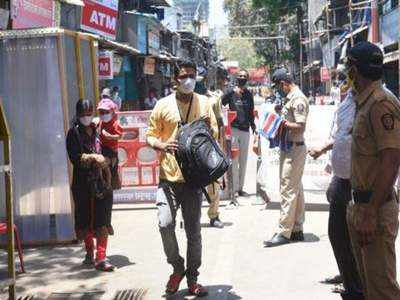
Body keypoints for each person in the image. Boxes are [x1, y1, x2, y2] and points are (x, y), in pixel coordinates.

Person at [146, 60, 217, 297]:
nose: (189, 80)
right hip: (168, 178)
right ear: (175, 79)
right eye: (185, 75)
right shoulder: (162, 105)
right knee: (165, 224)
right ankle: (177, 266)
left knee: (194, 232)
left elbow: (213, 138)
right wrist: (162, 145)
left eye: (193, 75)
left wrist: (208, 129)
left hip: (194, 180)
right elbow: (150, 136)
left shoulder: (205, 103)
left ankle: (193, 278)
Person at [345, 41, 400, 300]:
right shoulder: (363, 102)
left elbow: (391, 160)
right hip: (362, 207)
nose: (347, 74)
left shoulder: (380, 103)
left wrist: (370, 211)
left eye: (349, 68)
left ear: (355, 70)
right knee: (370, 289)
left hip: (374, 210)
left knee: (382, 291)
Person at [309, 85, 364, 300]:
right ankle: (351, 282)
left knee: (358, 239)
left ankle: (359, 287)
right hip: (341, 179)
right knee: (337, 234)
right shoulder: (349, 99)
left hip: (359, 182)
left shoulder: (376, 102)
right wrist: (324, 148)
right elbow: (342, 135)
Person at [66, 99, 115, 272]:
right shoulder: (73, 133)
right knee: (85, 220)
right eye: (83, 114)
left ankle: (101, 257)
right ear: (78, 114)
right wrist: (93, 158)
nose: (87, 117)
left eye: (89, 113)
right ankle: (89, 252)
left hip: (102, 182)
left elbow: (111, 152)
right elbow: (74, 158)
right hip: (82, 183)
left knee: (102, 219)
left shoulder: (99, 130)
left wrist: (107, 160)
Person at [264, 68, 309, 247]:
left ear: (284, 83)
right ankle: (296, 228)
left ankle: (284, 231)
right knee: (295, 189)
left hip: (294, 148)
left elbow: (300, 126)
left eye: (278, 86)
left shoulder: (298, 99)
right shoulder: (289, 98)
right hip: (289, 147)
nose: (278, 90)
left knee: (287, 190)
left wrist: (281, 123)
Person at [222, 69, 256, 198]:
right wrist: (231, 91)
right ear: (237, 78)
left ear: (247, 79)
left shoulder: (248, 94)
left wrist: (254, 127)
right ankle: (234, 188)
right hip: (234, 130)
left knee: (243, 161)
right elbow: (220, 102)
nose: (242, 78)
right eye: (240, 76)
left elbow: (251, 112)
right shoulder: (231, 93)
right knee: (234, 160)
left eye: (244, 76)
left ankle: (240, 188)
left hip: (245, 131)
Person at [205, 67, 229, 228]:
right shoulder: (184, 98)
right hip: (193, 145)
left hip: (212, 144)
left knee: (214, 181)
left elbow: (220, 123)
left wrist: (221, 148)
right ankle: (187, 217)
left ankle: (214, 215)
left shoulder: (216, 98)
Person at [97, 98, 123, 191]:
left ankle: (110, 184)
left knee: (109, 170)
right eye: (101, 112)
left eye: (106, 112)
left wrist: (111, 137)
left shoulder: (115, 124)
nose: (103, 114)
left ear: (112, 112)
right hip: (102, 150)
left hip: (111, 151)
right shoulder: (99, 123)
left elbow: (120, 136)